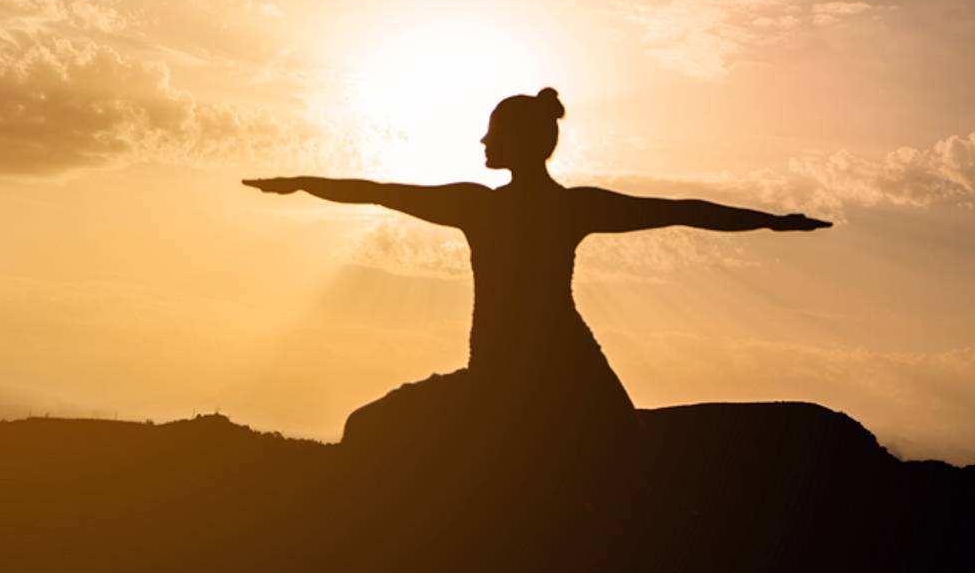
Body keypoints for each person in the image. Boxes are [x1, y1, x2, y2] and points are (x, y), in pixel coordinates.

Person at [244, 88, 831, 443]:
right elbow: (682, 211)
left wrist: (773, 221)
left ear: (519, 141)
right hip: (548, 370)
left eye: (492, 132)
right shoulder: (563, 208)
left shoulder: (480, 206)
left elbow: (680, 211)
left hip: (531, 375)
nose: (481, 140)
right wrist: (301, 183)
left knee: (369, 429)